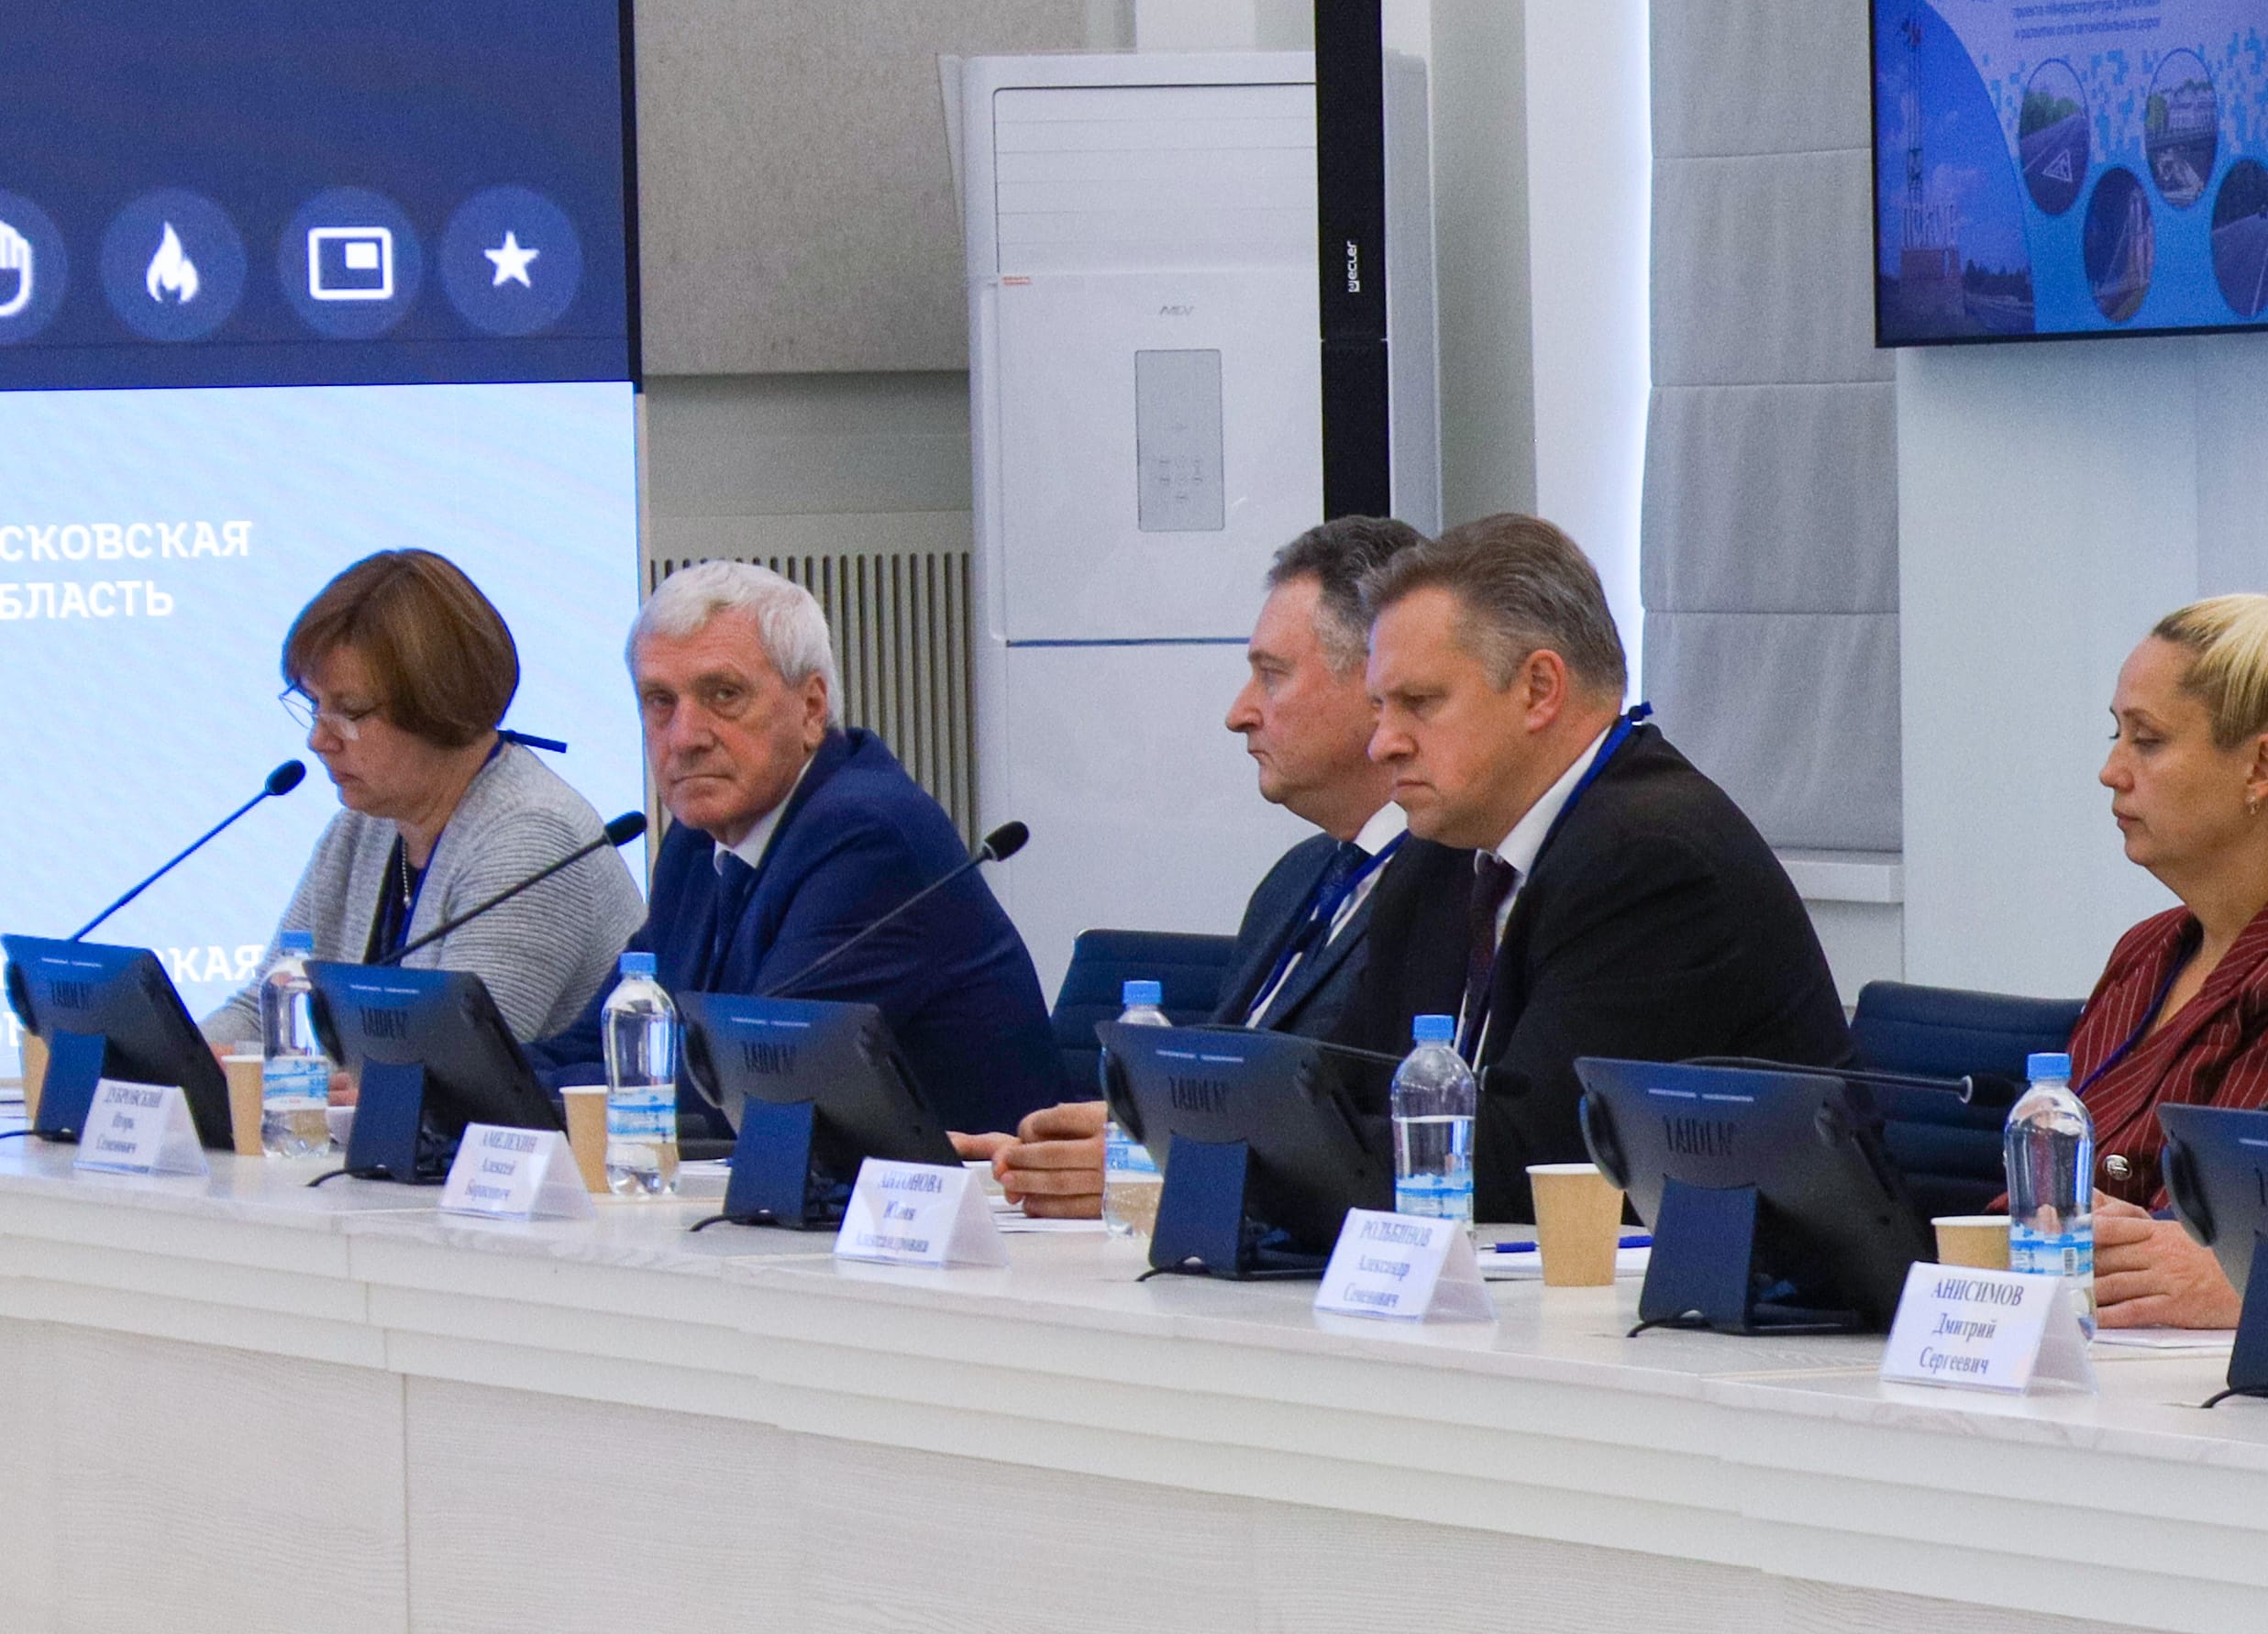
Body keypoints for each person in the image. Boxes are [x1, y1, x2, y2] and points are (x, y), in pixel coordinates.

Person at [957, 515, 1482, 1213]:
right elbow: (1218, 1097)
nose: (1239, 714)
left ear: (1375, 683)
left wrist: (1167, 1168)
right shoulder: (1296, 879)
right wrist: (1092, 1148)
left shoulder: (1460, 884)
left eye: (1271, 676)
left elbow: (1375, 1133)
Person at [1360, 513, 1842, 1187]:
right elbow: (1348, 1091)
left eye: (1418, 702)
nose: (1382, 744)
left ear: (1538, 690)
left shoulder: (1652, 862)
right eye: (1379, 707)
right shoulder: (1441, 856)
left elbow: (1535, 1163)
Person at [600, 558, 1056, 1132]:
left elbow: (757, 1085)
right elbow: (605, 1043)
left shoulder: (870, 839)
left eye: (724, 694)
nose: (684, 737)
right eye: (660, 701)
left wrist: (565, 1103)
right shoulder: (696, 843)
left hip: (971, 1186)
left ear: (812, 709)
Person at [2060, 574, 2268, 1329]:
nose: (2112, 771)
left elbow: (2224, 1231)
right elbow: (2036, 1194)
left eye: (2147, 740)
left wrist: (2056, 1230)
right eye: (2116, 735)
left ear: (2260, 769)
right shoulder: (2146, 951)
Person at [195, 545, 640, 1061]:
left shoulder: (532, 835)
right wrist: (175, 1062)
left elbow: (452, 1066)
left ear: (440, 703)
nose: (318, 739)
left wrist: (276, 1077)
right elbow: (264, 1012)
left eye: (350, 712)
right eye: (314, 704)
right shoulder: (362, 829)